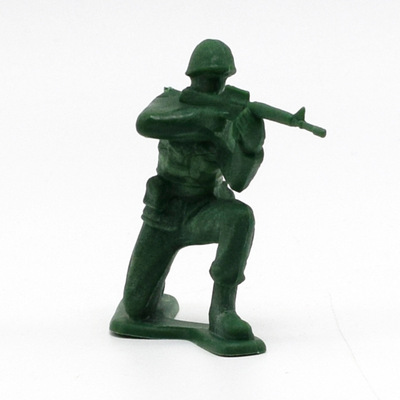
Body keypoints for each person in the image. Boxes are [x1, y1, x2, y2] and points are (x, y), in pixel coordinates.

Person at [121, 39, 266, 341]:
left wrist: (250, 147)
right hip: (166, 211)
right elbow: (145, 123)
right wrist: (200, 120)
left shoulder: (227, 120)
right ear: (193, 76)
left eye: (221, 78)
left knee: (239, 217)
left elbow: (238, 181)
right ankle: (152, 297)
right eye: (208, 78)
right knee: (135, 309)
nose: (215, 84)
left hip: (204, 209)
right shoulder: (170, 101)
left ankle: (223, 311)